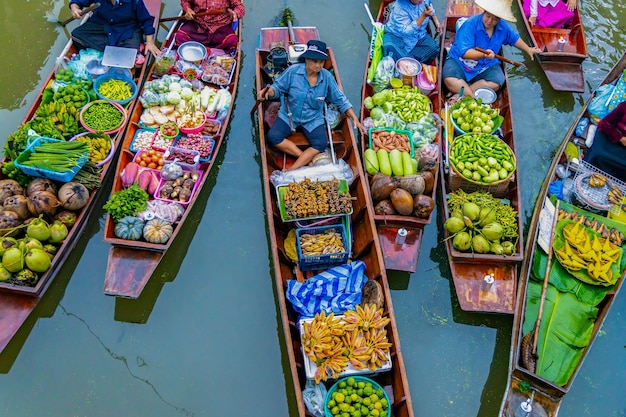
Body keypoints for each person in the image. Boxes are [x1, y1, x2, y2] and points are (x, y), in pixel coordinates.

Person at [258, 40, 366, 172]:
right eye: (315, 61)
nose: (318, 65)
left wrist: (355, 119)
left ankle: (293, 168)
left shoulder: (326, 78)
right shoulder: (293, 72)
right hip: (289, 114)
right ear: (307, 59)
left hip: (312, 118)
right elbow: (277, 88)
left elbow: (341, 100)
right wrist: (268, 93)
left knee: (320, 144)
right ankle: (305, 159)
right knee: (273, 137)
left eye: (321, 62)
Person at [442, 0, 541, 100]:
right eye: (488, 16)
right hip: (461, 63)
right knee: (449, 78)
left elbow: (514, 38)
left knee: (497, 82)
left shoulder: (502, 27)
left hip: (485, 66)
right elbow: (465, 53)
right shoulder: (470, 24)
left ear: (499, 19)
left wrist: (528, 49)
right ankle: (470, 96)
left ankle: (463, 93)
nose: (489, 21)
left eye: (495, 19)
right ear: (484, 12)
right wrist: (484, 55)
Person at [69, 0, 160, 58]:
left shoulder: (134, 1)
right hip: (102, 25)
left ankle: (111, 52)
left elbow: (146, 21)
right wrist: (75, 8)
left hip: (126, 29)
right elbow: (77, 2)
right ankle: (113, 52)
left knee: (129, 55)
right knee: (76, 35)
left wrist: (150, 42)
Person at [174, 0, 244, 52]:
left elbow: (240, 7)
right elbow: (185, 1)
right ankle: (210, 49)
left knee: (231, 40)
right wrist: (188, 9)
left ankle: (208, 51)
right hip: (198, 24)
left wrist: (235, 13)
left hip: (220, 25)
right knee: (180, 36)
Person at [584, 101, 626, 182]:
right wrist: (621, 138)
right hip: (612, 137)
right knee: (599, 154)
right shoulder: (624, 106)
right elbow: (604, 124)